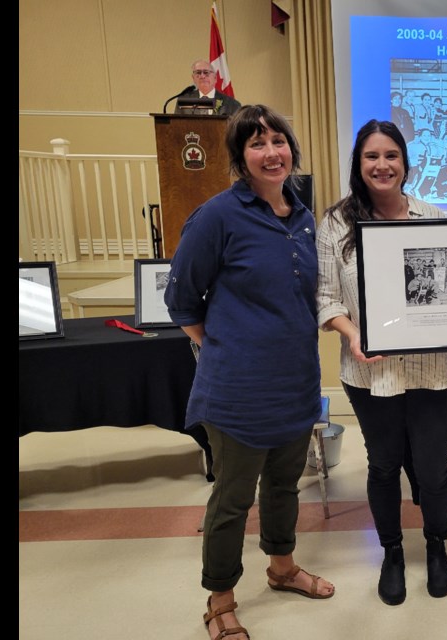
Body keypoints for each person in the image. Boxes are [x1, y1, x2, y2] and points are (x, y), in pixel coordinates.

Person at [164, 104, 334, 640]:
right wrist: (225, 348)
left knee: (284, 486)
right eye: (256, 144)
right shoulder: (217, 215)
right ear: (240, 157)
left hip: (296, 384)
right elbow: (182, 298)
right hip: (236, 390)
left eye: (278, 141)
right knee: (233, 498)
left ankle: (282, 569)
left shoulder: (304, 218)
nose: (270, 152)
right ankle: (220, 599)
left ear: (291, 149)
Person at [316, 119, 447, 606]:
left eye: (391, 155)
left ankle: (436, 547)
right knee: (383, 466)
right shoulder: (335, 223)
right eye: (372, 156)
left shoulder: (433, 216)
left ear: (405, 162)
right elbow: (326, 297)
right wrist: (353, 335)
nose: (382, 165)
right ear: (359, 164)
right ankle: (392, 553)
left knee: (434, 469)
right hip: (369, 371)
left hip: (431, 369)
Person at [176, 59, 242, 116]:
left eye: (206, 72)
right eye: (198, 73)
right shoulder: (184, 102)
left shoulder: (231, 104)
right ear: (193, 78)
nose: (202, 76)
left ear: (215, 78)